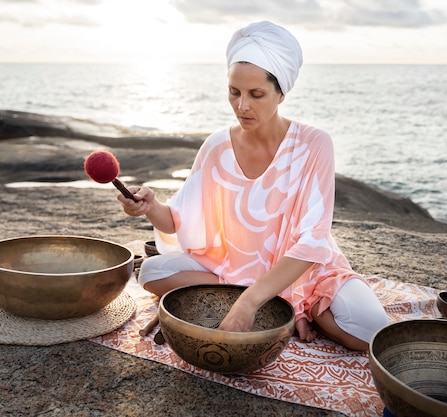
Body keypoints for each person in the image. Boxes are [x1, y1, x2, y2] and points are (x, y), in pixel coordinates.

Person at [118, 21, 389, 351]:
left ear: (281, 93)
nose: (242, 106)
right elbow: (178, 222)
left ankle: (291, 306)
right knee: (151, 272)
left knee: (372, 332)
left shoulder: (313, 144)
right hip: (232, 268)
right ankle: (271, 303)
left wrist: (247, 304)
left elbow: (313, 240)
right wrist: (150, 207)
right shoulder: (217, 146)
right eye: (234, 92)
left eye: (256, 94)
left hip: (305, 271)